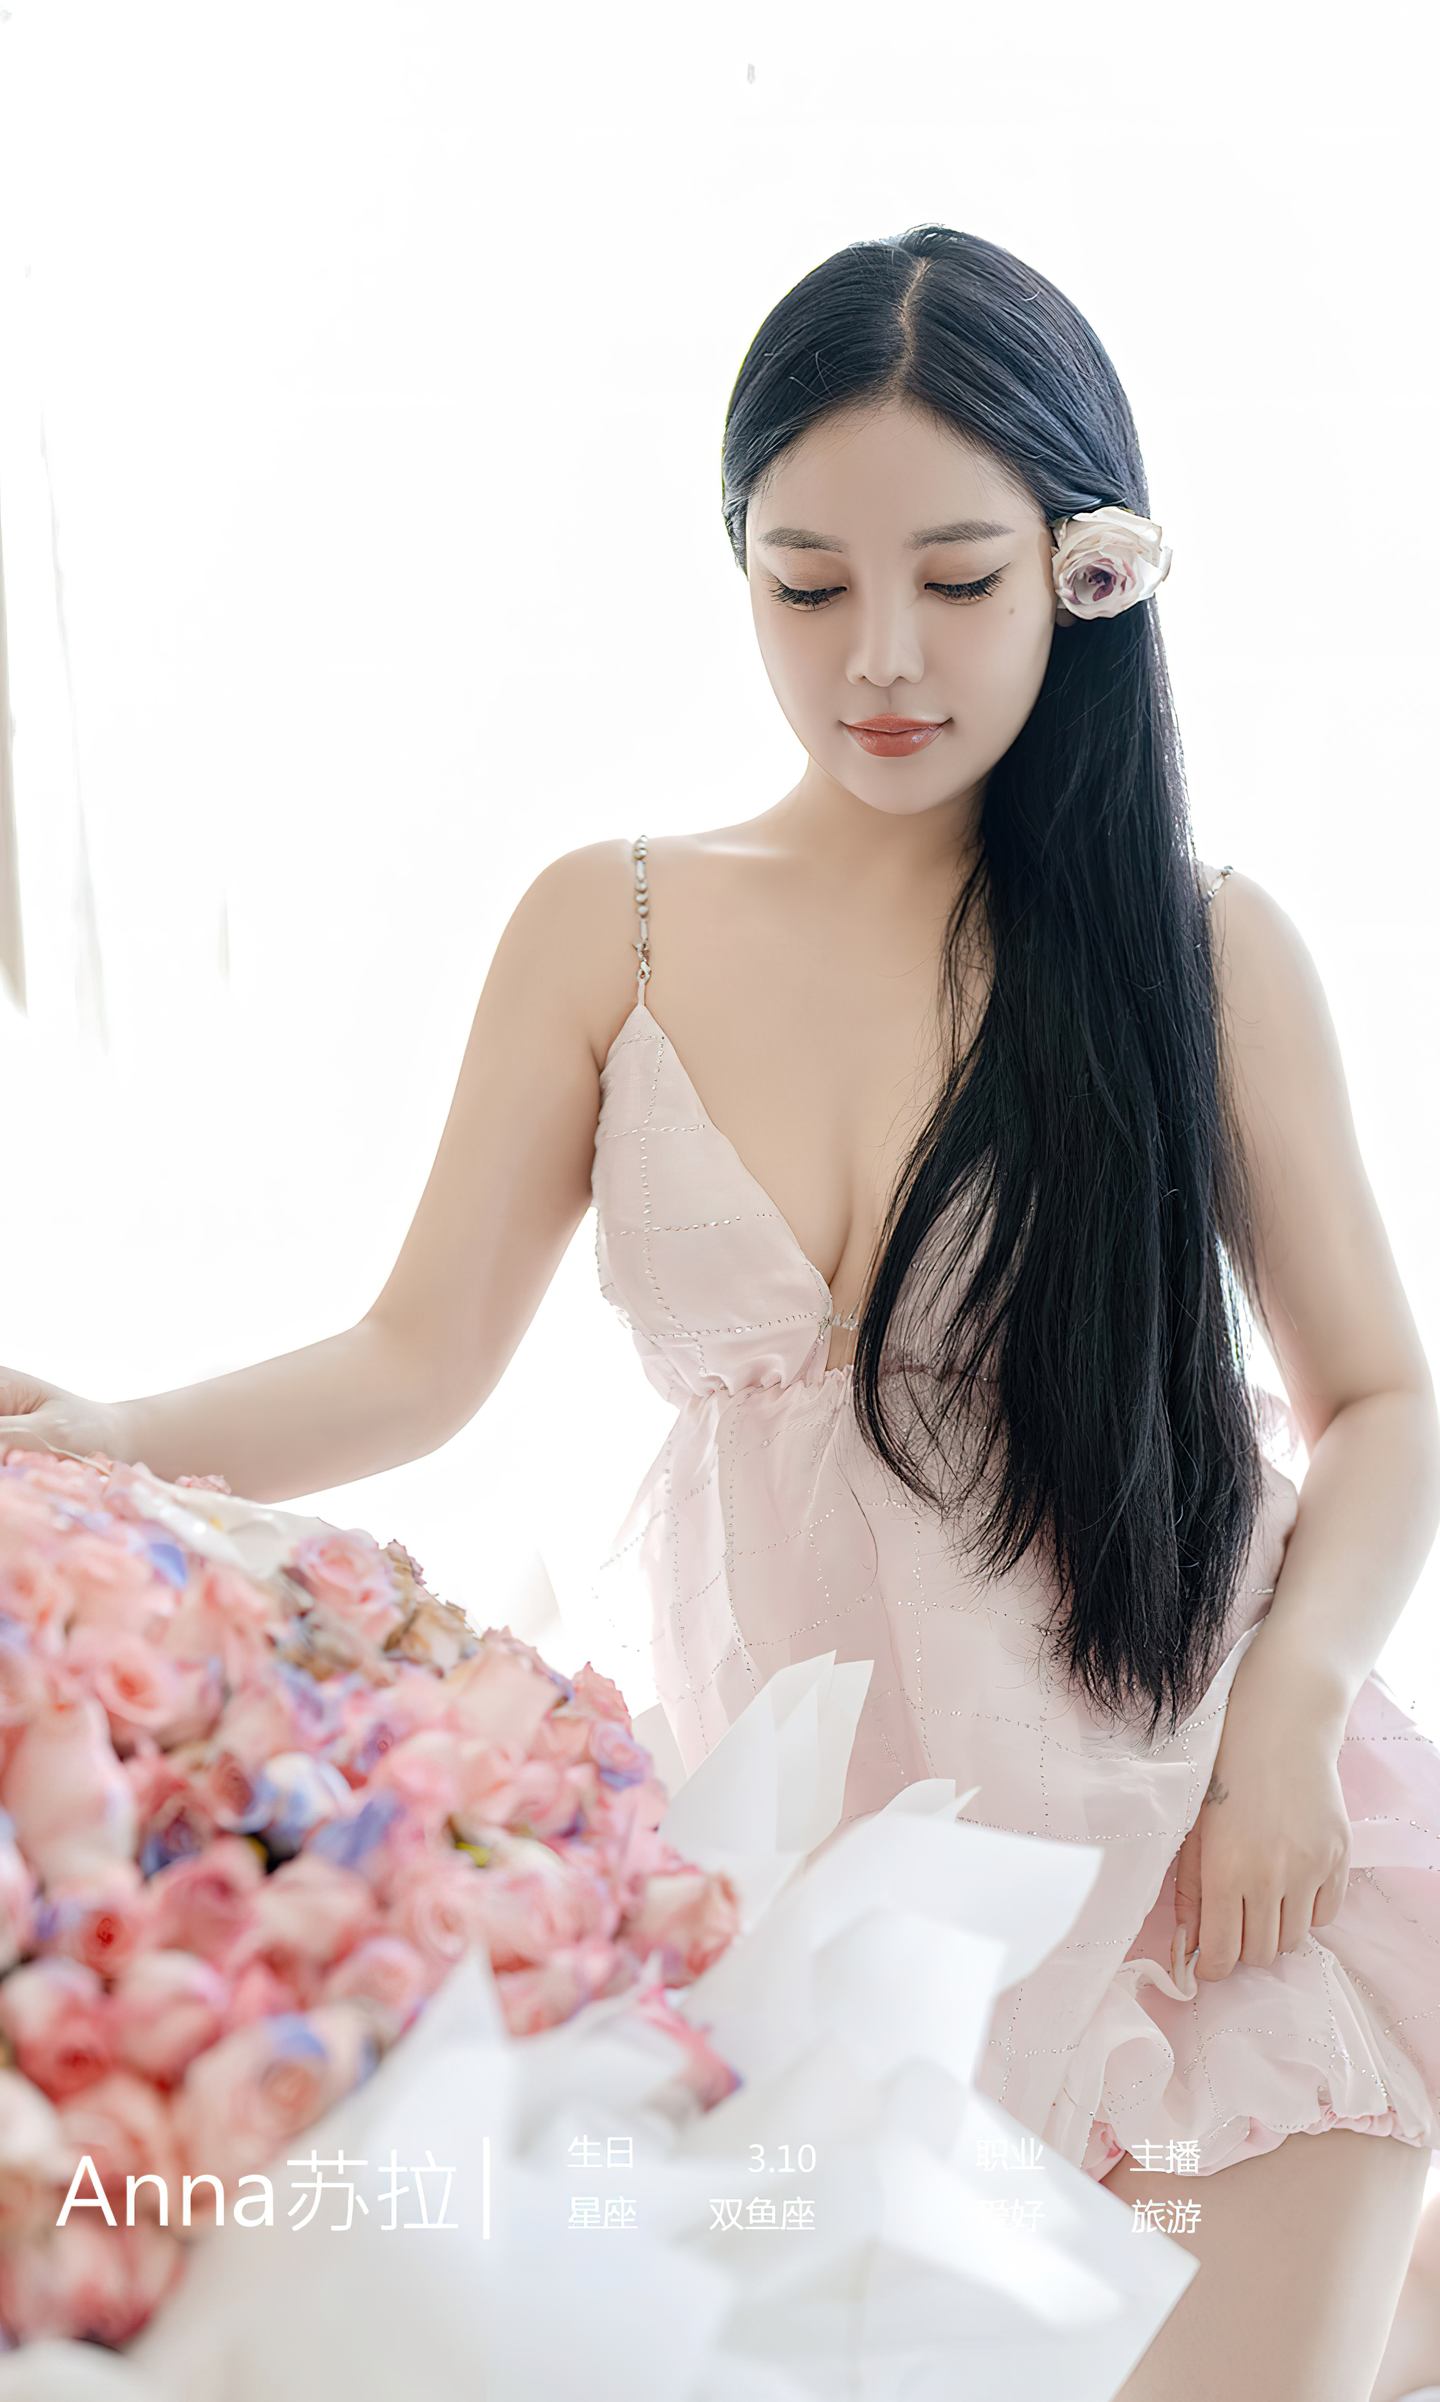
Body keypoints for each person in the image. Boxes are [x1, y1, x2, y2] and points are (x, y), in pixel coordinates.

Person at [4, 224, 1440, 2400]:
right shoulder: (617, 928)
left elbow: (1384, 1397)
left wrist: (1293, 1721)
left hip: (1221, 1865)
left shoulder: (1202, 947)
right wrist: (115, 1432)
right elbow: (416, 1358)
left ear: (1087, 572)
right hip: (832, 1919)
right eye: (808, 583)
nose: (883, 656)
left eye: (960, 579)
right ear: (739, 562)